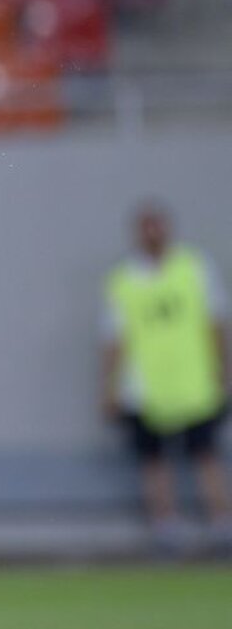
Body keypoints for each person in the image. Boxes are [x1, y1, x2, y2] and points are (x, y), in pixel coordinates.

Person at [102, 200, 232, 553]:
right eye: (146, 226)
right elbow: (114, 339)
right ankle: (165, 526)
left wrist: (223, 368)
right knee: (154, 460)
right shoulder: (124, 279)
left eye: (157, 225)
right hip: (146, 387)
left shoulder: (194, 267)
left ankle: (222, 523)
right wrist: (109, 386)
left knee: (206, 454)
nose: (153, 233)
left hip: (194, 382)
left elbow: (216, 322)